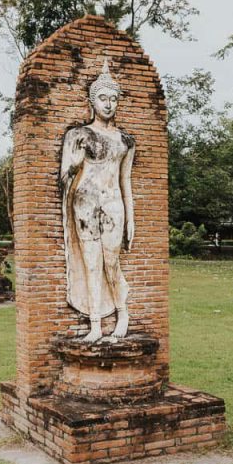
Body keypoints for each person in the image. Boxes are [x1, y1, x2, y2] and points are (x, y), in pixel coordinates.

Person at [60, 59, 136, 343]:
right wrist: (74, 165)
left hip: (113, 203)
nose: (108, 104)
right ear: (92, 101)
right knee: (91, 263)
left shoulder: (125, 141)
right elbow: (63, 177)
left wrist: (131, 217)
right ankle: (95, 325)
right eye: (103, 98)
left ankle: (122, 313)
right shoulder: (77, 135)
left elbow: (124, 180)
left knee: (111, 263)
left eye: (113, 99)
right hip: (85, 204)